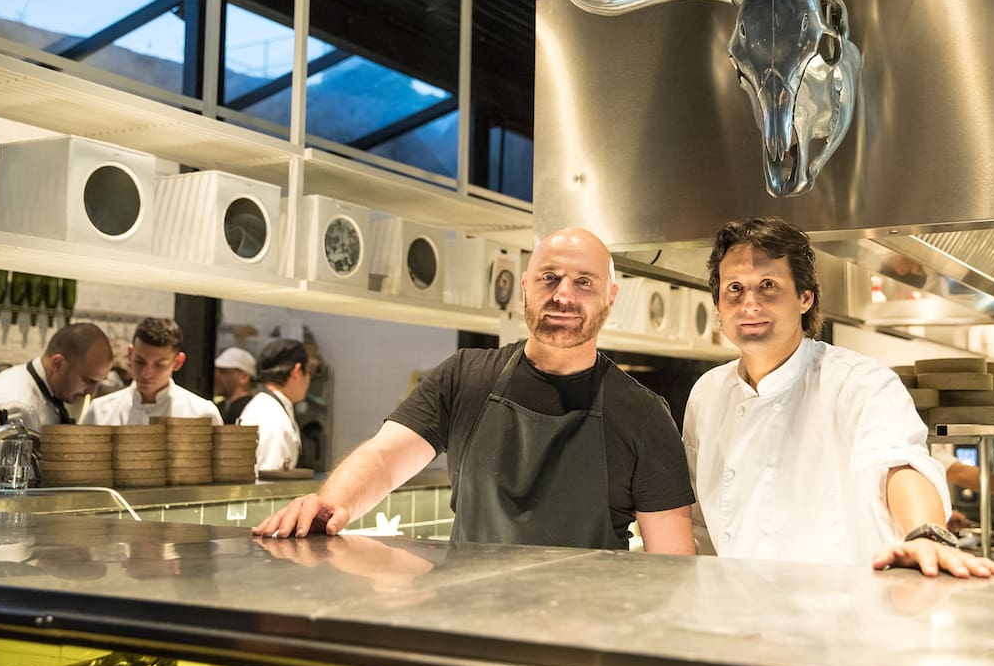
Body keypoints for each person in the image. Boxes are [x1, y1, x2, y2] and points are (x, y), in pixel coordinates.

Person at [254, 228, 696, 554]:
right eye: (549, 278)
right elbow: (385, 457)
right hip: (472, 624)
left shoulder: (643, 413)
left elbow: (670, 565)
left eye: (584, 282)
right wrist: (330, 505)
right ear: (525, 286)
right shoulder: (465, 377)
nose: (564, 295)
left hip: (588, 642)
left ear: (610, 297)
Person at [683, 217, 994, 578]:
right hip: (737, 616)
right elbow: (698, 522)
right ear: (718, 303)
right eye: (734, 289)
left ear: (805, 298)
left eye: (768, 285)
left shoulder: (860, 383)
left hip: (840, 617)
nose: (749, 304)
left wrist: (926, 534)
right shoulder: (707, 395)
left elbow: (897, 463)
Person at [0, 323, 113, 435]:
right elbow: (8, 468)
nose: (92, 393)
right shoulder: (18, 407)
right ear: (57, 364)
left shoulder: (41, 390)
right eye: (88, 381)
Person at [82, 317, 222, 426]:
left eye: (159, 365)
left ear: (177, 362)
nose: (146, 373)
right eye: (140, 361)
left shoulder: (202, 414)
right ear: (130, 354)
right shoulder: (100, 412)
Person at [241, 339, 312, 473]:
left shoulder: (268, 406)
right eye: (308, 371)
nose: (309, 379)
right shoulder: (271, 417)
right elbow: (270, 482)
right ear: (297, 371)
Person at [214, 346, 257, 425]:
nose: (216, 377)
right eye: (216, 371)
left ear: (243, 377)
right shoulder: (219, 407)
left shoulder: (251, 409)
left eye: (223, 372)